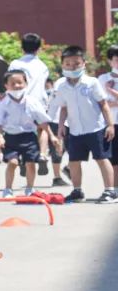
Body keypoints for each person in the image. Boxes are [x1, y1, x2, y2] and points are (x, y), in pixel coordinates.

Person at [47, 46, 117, 203]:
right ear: (62, 65)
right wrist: (60, 126)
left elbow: (103, 104)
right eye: (68, 64)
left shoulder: (92, 83)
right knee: (73, 161)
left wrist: (110, 125)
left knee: (102, 158)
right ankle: (77, 191)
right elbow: (63, 107)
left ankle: (110, 191)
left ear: (84, 63)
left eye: (76, 63)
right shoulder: (62, 86)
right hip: (75, 130)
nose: (72, 67)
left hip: (96, 128)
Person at [0, 70, 50, 198]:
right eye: (12, 83)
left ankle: (30, 188)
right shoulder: (3, 104)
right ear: (6, 86)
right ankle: (8, 189)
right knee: (12, 163)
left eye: (20, 82)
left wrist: (52, 137)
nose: (16, 85)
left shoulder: (32, 101)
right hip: (10, 137)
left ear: (26, 83)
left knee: (30, 163)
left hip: (29, 137)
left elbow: (43, 122)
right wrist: (0, 137)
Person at [8, 32, 53, 177]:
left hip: (20, 101)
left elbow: (10, 81)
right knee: (43, 129)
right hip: (39, 101)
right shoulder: (42, 65)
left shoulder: (15, 64)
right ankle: (43, 154)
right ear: (39, 48)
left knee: (23, 131)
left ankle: (22, 158)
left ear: (22, 48)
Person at [44, 78, 69, 186]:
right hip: (56, 121)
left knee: (74, 148)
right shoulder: (59, 86)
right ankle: (57, 177)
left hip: (71, 122)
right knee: (58, 150)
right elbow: (53, 108)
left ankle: (68, 168)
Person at [98, 45, 118, 171]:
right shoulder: (102, 79)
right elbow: (100, 103)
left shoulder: (107, 84)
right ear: (109, 61)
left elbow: (107, 102)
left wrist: (110, 90)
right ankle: (113, 188)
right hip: (109, 123)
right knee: (112, 159)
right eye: (116, 60)